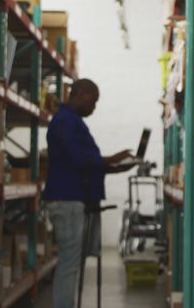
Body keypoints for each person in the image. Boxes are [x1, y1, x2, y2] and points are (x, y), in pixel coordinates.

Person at [42, 79, 137, 308]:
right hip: (67, 200)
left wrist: (115, 167)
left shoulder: (72, 121)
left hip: (74, 200)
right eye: (93, 101)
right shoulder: (65, 121)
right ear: (80, 94)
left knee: (71, 262)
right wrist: (112, 160)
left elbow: (85, 163)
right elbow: (78, 159)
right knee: (69, 263)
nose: (94, 107)